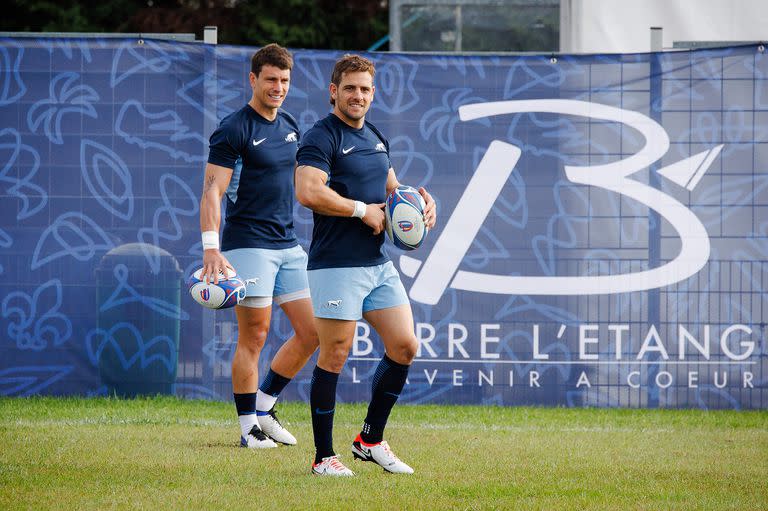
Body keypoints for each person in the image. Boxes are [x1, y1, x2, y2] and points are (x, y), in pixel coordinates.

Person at [295, 54, 437, 476]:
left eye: (365, 89)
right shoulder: (321, 137)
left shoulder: (374, 136)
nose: (358, 96)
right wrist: (361, 210)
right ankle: (323, 457)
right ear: (333, 91)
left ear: (373, 94)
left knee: (405, 346)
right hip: (336, 264)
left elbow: (392, 190)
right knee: (335, 352)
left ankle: (369, 440)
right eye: (351, 88)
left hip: (376, 263)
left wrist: (422, 204)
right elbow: (308, 191)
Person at [199, 43, 318, 449]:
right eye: (271, 79)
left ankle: (264, 407)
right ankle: (248, 427)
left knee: (313, 330)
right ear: (253, 79)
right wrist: (211, 249)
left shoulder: (290, 124)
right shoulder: (233, 128)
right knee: (255, 336)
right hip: (248, 245)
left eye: (285, 80)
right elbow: (212, 191)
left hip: (288, 245)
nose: (278, 87)